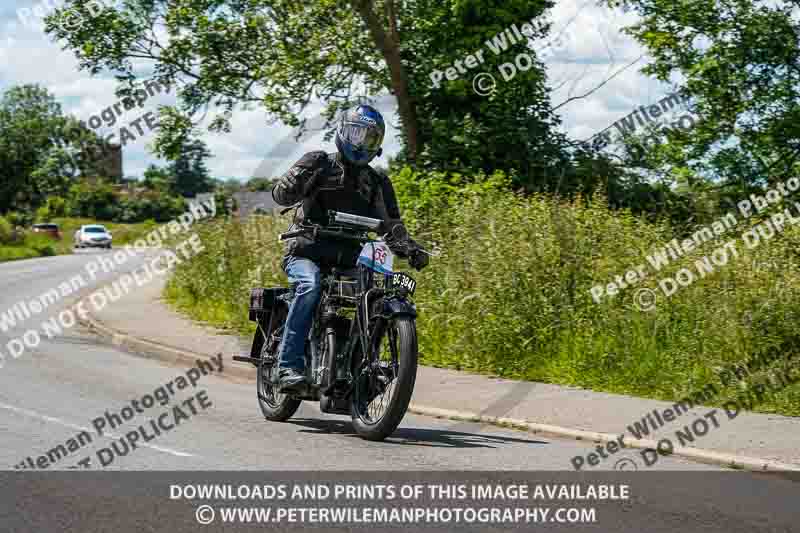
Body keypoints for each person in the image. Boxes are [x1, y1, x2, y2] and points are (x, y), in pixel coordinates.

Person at [270, 104, 429, 392]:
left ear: (377, 145)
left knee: (372, 296)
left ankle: (359, 366)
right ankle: (287, 367)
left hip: (349, 257)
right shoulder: (318, 163)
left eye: (369, 138)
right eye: (356, 133)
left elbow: (391, 225)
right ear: (343, 131)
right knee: (310, 286)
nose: (360, 143)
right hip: (306, 251)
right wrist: (288, 184)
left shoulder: (377, 182)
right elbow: (280, 196)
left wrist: (410, 247)